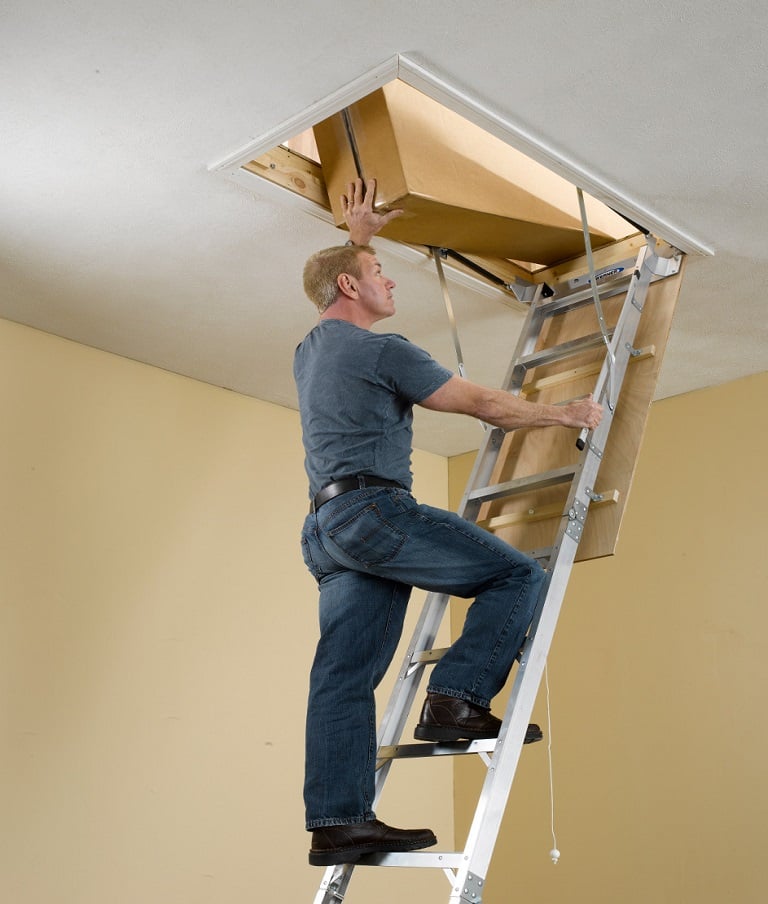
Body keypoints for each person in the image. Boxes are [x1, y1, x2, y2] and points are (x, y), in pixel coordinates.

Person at [295, 178, 602, 866]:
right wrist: (567, 414)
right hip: (373, 512)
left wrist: (362, 238)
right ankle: (456, 701)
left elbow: (334, 287)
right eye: (379, 273)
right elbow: (482, 404)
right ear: (351, 286)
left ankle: (339, 821)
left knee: (342, 679)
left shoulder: (310, 352)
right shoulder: (384, 351)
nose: (391, 282)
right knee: (516, 575)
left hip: (327, 531)